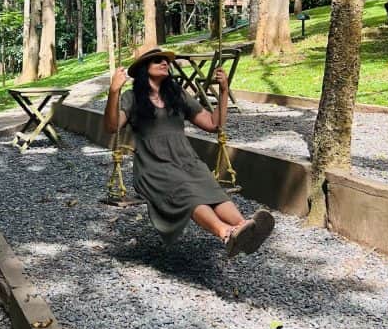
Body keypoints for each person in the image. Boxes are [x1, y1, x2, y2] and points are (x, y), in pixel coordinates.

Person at [103, 43, 274, 255]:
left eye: (167, 60)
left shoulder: (177, 94)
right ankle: (226, 233)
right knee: (188, 194)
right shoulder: (132, 97)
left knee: (211, 190)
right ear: (144, 67)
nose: (165, 62)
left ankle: (246, 228)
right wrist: (113, 91)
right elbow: (111, 127)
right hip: (153, 167)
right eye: (158, 60)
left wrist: (223, 91)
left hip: (186, 160)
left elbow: (213, 124)